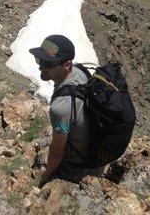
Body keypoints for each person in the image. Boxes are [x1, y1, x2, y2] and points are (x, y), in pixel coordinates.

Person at [29, 34, 104, 187]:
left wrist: (46, 175)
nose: (41, 66)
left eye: (48, 64)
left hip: (79, 169)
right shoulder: (79, 72)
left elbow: (57, 151)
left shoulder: (61, 108)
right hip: (95, 155)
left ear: (66, 65)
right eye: (40, 60)